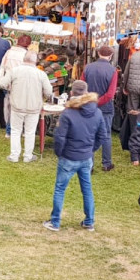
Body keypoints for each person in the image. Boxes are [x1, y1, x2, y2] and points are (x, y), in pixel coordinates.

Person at [44, 80, 105, 232]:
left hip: (69, 157)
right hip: (85, 157)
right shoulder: (97, 112)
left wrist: (60, 153)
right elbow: (102, 135)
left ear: (72, 93)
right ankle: (89, 221)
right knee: (87, 189)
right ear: (86, 92)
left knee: (60, 189)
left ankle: (55, 221)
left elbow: (59, 137)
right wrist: (91, 150)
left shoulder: (68, 113)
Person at [5, 51, 52, 164]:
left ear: (24, 59)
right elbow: (49, 91)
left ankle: (14, 156)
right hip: (33, 107)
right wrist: (43, 96)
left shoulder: (15, 71)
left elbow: (4, 84)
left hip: (17, 105)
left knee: (16, 131)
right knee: (30, 132)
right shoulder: (41, 74)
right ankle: (27, 156)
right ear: (35, 61)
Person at [81, 45, 118, 172]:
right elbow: (110, 94)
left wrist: (91, 102)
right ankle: (106, 163)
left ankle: (89, 165)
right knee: (106, 135)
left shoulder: (88, 68)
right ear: (111, 55)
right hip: (105, 107)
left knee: (89, 135)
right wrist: (98, 102)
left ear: (98, 53)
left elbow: (82, 88)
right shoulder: (113, 71)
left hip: (89, 106)